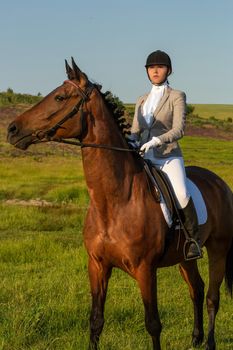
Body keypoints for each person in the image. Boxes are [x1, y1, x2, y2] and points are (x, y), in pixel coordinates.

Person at [129, 50, 202, 260]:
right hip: (145, 157)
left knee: (180, 193)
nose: (155, 71)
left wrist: (156, 140)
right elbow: (135, 131)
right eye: (151, 67)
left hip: (168, 156)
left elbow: (179, 129)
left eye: (160, 67)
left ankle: (192, 240)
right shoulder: (141, 100)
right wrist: (131, 141)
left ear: (168, 70)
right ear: (147, 71)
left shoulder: (177, 96)